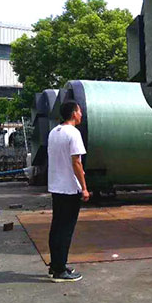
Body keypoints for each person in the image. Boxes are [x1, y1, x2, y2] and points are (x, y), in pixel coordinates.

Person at [47, 100, 90, 282]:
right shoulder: (73, 133)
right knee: (65, 230)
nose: (81, 114)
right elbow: (76, 162)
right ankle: (60, 271)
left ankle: (56, 265)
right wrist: (84, 188)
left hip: (56, 186)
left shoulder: (53, 132)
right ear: (73, 113)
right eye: (79, 111)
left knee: (57, 227)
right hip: (70, 188)